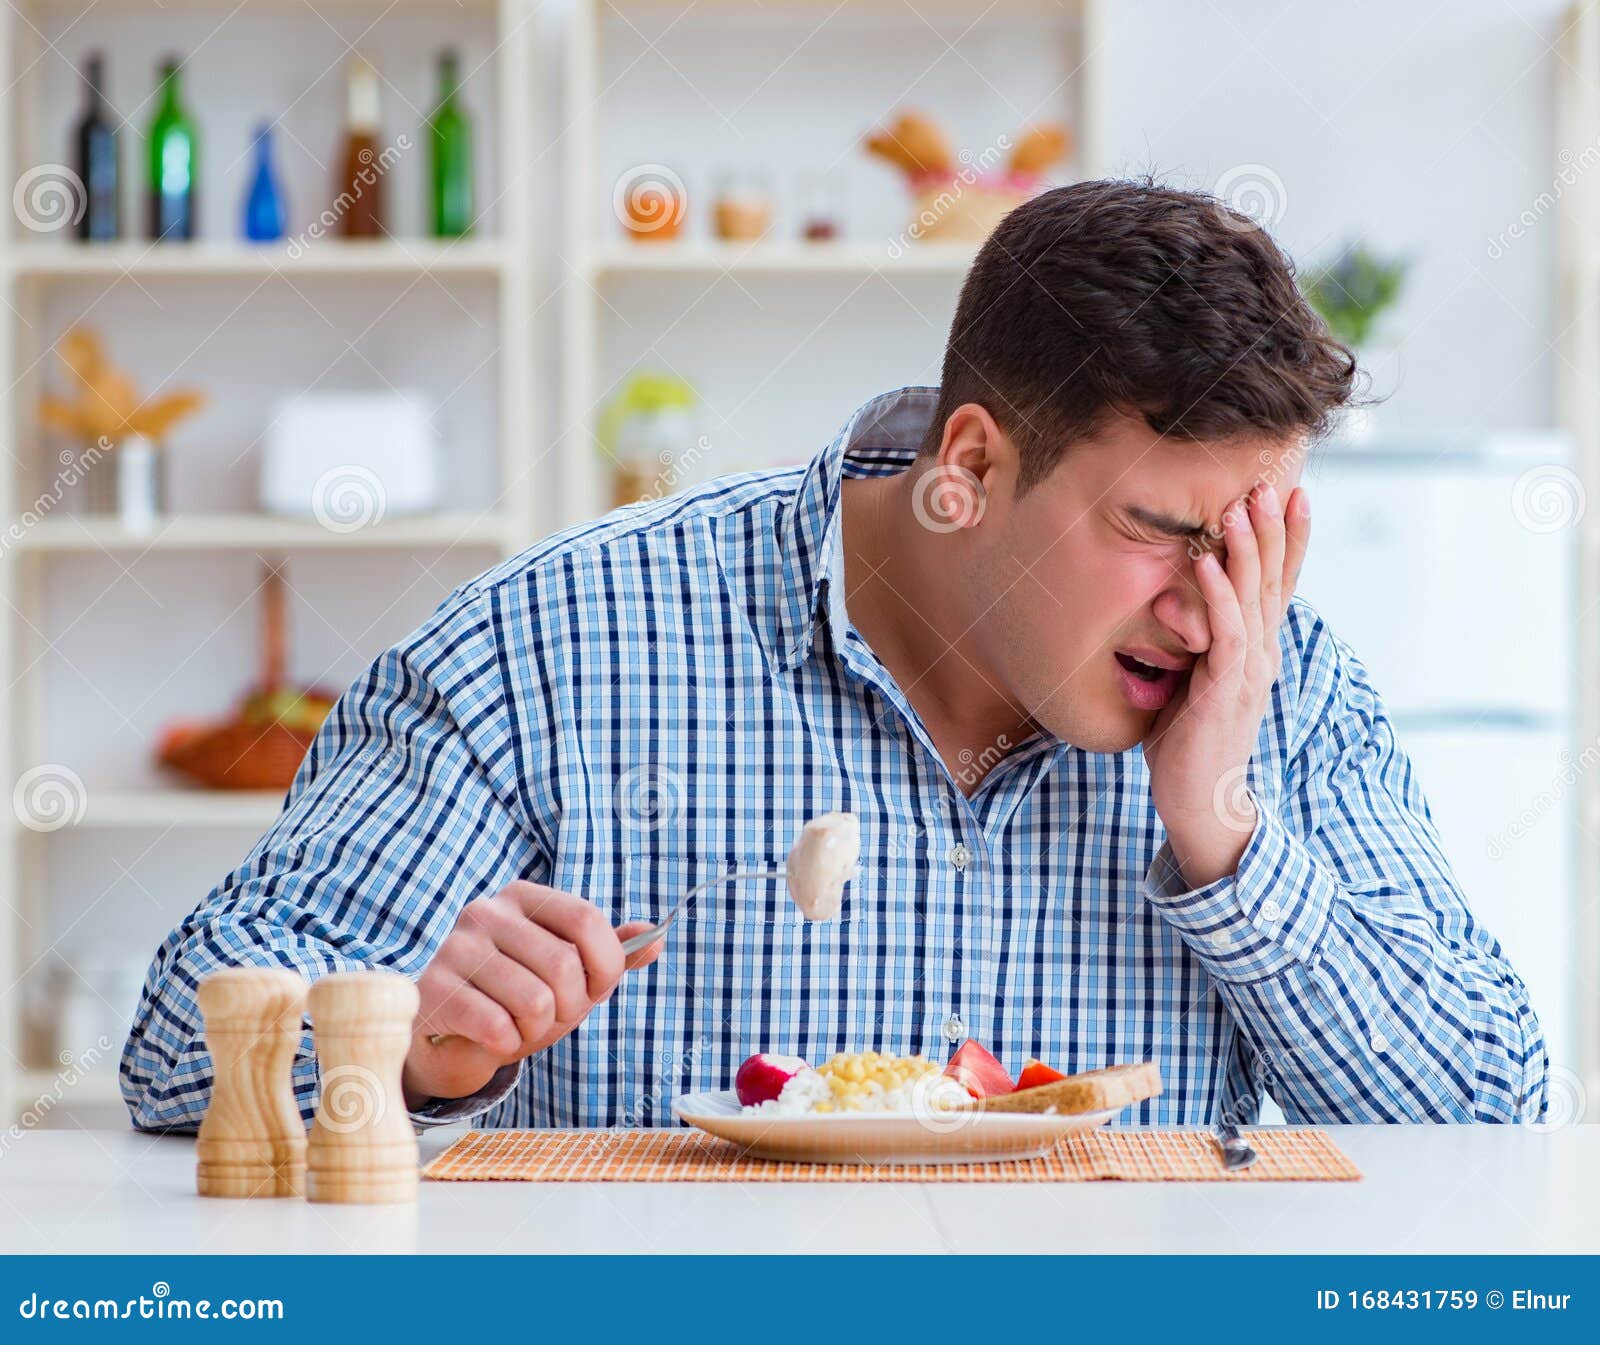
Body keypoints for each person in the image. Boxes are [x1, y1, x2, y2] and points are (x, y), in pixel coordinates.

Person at [122, 179, 1548, 1131]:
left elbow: (1493, 1118)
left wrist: (1226, 834)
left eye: (1253, 538)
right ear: (974, 466)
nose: (1214, 606)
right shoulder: (552, 647)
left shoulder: (1280, 696)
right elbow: (179, 1056)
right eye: (1160, 530)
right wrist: (403, 1048)